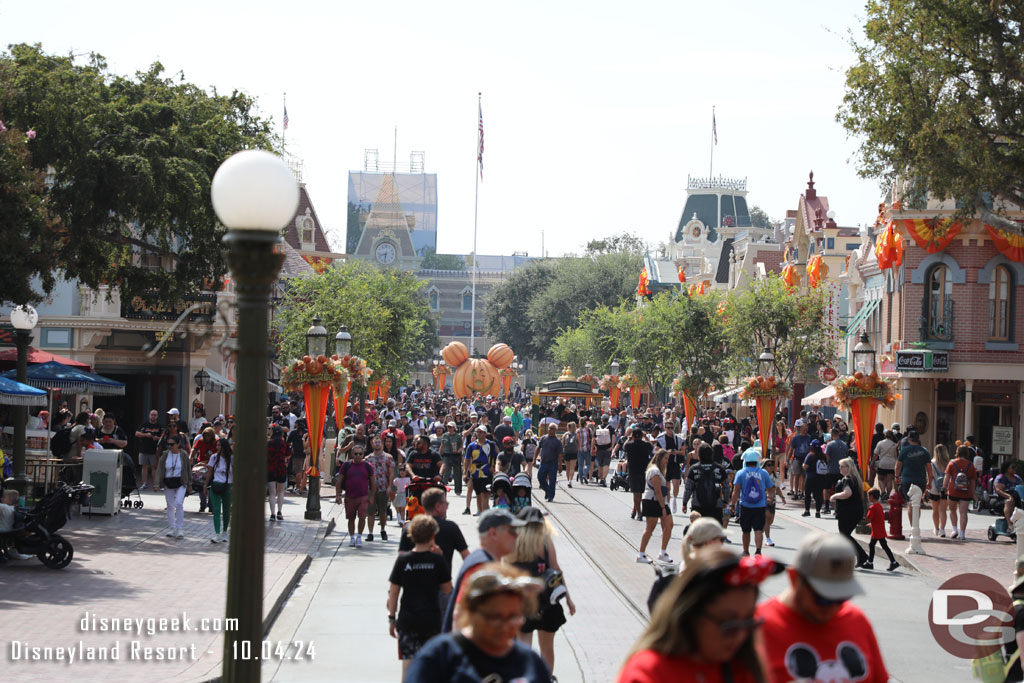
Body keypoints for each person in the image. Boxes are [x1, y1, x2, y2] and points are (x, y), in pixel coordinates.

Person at [618, 548, 778, 683]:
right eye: (728, 625)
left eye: (749, 622)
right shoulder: (649, 673)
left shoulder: (744, 668)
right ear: (691, 614)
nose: (740, 635)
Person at [757, 533, 890, 683]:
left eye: (841, 598)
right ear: (795, 579)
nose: (833, 607)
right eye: (823, 598)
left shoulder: (857, 620)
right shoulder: (758, 628)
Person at [406, 562, 550, 683]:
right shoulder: (439, 656)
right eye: (495, 617)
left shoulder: (530, 663)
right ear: (471, 611)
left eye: (513, 616)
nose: (505, 626)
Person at [507, 506, 576, 675]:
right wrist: (568, 598)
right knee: (547, 648)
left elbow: (507, 573)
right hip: (546, 601)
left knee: (523, 644)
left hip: (522, 601)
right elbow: (556, 570)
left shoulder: (514, 542)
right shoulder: (545, 542)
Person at [388, 514, 453, 679]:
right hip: (431, 620)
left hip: (408, 619)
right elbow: (447, 590)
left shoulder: (403, 560)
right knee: (432, 665)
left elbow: (394, 592)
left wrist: (392, 618)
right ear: (432, 536)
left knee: (408, 663)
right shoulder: (437, 560)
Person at [442, 508, 527, 633]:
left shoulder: (485, 561)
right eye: (512, 531)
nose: (517, 535)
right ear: (493, 533)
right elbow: (459, 616)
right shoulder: (482, 566)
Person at [398, 487, 470, 570]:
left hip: (413, 581)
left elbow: (401, 560)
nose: (447, 507)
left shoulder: (409, 528)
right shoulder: (451, 527)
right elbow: (467, 558)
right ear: (438, 506)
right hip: (442, 580)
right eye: (446, 504)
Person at [729, 449, 775, 556]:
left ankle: (745, 551)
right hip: (760, 505)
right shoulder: (763, 473)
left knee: (746, 530)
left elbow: (735, 491)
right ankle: (758, 551)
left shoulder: (741, 473)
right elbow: (771, 488)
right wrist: (769, 497)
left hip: (745, 505)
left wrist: (732, 505)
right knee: (758, 529)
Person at [828, 457, 870, 568]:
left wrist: (834, 496)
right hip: (853, 511)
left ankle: (861, 556)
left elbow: (847, 493)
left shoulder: (848, 479)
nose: (840, 469)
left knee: (844, 536)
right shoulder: (854, 479)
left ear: (849, 467)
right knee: (845, 536)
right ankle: (860, 557)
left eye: (842, 466)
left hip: (848, 512)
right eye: (840, 466)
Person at [637, 450, 675, 564]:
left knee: (669, 524)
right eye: (665, 459)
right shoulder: (654, 471)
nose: (666, 461)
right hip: (652, 501)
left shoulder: (658, 470)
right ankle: (641, 554)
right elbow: (657, 491)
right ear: (659, 458)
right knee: (650, 528)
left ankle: (662, 552)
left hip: (660, 501)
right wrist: (663, 508)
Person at [335, 444, 374, 548]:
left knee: (362, 517)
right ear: (352, 454)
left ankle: (359, 536)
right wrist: (337, 495)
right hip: (350, 496)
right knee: (351, 518)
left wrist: (371, 497)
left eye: (360, 454)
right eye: (355, 454)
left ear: (363, 454)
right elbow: (339, 481)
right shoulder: (346, 465)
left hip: (363, 497)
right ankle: (352, 537)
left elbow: (373, 484)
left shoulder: (368, 466)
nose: (358, 456)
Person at [683, 444, 729, 524]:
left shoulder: (694, 469)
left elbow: (688, 488)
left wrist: (684, 503)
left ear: (699, 455)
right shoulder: (719, 468)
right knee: (716, 532)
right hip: (716, 505)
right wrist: (725, 501)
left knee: (698, 530)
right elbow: (726, 487)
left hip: (698, 505)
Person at [895, 428, 932, 529]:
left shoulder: (904, 450)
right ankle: (915, 525)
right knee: (917, 503)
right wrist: (930, 481)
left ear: (909, 439)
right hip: (921, 480)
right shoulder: (924, 451)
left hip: (907, 479)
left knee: (910, 503)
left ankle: (913, 527)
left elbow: (898, 466)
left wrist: (897, 477)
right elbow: (929, 468)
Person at [156, 435, 191, 538]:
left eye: (172, 444)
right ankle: (172, 527)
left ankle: (180, 528)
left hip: (181, 481)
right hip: (168, 482)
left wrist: (189, 484)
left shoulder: (183, 455)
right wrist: (157, 483)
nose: (170, 446)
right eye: (168, 444)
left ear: (178, 444)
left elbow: (188, 469)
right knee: (170, 505)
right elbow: (160, 469)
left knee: (179, 503)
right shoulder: (165, 455)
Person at [365, 435, 395, 542]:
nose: (376, 444)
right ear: (371, 444)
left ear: (382, 444)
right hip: (371, 489)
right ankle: (370, 533)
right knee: (371, 512)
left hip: (383, 487)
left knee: (383, 511)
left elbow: (391, 473)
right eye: (374, 442)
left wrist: (390, 487)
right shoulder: (368, 459)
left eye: (378, 442)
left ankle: (383, 529)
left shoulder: (388, 457)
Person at [945, 444, 978, 541]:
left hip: (953, 491)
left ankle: (954, 530)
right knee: (963, 512)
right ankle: (962, 533)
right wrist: (972, 493)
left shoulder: (952, 463)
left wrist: (943, 488)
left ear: (957, 452)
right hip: (966, 492)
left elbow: (946, 478)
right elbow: (973, 481)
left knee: (952, 510)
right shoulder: (970, 465)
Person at [205, 436, 233, 543]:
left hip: (228, 485)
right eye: (217, 445)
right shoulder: (213, 457)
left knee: (226, 510)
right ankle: (217, 533)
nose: (217, 447)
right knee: (216, 510)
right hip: (216, 485)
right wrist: (205, 485)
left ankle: (225, 532)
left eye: (219, 445)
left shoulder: (232, 458)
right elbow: (210, 472)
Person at [864, 489, 899, 571]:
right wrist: (872, 524)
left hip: (876, 531)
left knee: (873, 545)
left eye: (868, 496)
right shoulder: (879, 506)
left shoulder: (872, 507)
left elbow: (868, 518)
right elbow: (879, 518)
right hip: (880, 529)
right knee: (882, 546)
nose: (868, 498)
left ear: (871, 497)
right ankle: (893, 562)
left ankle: (870, 563)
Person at [625, 425, 654, 520]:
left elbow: (623, 446)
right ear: (641, 436)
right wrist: (646, 437)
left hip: (633, 471)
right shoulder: (646, 445)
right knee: (640, 493)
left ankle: (638, 512)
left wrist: (629, 439)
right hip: (643, 471)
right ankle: (636, 511)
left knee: (635, 493)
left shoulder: (629, 445)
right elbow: (651, 447)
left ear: (632, 435)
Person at [465, 426, 496, 514]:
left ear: (485, 434)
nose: (478, 434)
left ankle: (485, 512)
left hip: (487, 472)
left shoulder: (491, 444)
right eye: (477, 432)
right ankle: (480, 510)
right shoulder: (471, 446)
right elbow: (467, 459)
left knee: (485, 493)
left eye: (481, 432)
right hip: (475, 472)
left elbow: (495, 457)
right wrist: (465, 472)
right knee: (478, 493)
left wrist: (493, 467)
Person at [655, 421, 684, 513]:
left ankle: (674, 499)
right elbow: (656, 450)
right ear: (665, 428)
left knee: (676, 483)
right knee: (667, 485)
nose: (670, 430)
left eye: (671, 428)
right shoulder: (661, 439)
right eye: (668, 428)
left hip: (675, 463)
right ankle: (667, 502)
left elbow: (683, 451)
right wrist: (666, 452)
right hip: (666, 464)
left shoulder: (678, 439)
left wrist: (677, 452)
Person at [135, 409, 163, 491]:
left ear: (157, 416)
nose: (153, 416)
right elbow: (136, 433)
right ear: (149, 415)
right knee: (144, 466)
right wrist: (146, 435)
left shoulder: (160, 426)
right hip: (143, 449)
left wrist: (157, 438)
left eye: (155, 415)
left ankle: (155, 484)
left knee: (154, 467)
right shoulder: (144, 425)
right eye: (152, 415)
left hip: (155, 450)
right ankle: (144, 483)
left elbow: (164, 437)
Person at [266, 426, 290, 522]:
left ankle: (272, 514)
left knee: (272, 493)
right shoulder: (285, 444)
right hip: (281, 468)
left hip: (271, 469)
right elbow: (288, 455)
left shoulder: (269, 444)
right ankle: (279, 512)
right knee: (280, 492)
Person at [536, 423, 563, 503]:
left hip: (553, 463)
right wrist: (534, 459)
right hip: (543, 462)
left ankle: (550, 496)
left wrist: (560, 464)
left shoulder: (557, 441)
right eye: (549, 428)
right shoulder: (543, 438)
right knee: (540, 477)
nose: (549, 430)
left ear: (555, 430)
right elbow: (538, 448)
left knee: (552, 480)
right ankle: (547, 490)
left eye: (551, 428)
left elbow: (560, 454)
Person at [802, 440, 829, 518]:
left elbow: (805, 466)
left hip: (810, 477)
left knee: (807, 494)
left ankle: (807, 510)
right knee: (818, 495)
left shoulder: (810, 455)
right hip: (821, 478)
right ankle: (818, 512)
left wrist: (803, 464)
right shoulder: (824, 456)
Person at [929, 443, 950, 537]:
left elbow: (930, 476)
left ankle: (936, 528)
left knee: (935, 510)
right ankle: (942, 529)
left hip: (934, 488)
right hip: (945, 488)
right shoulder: (948, 462)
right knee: (943, 510)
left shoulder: (932, 462)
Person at [786, 420, 810, 500]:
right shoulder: (796, 438)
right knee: (796, 476)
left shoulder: (809, 437)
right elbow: (791, 449)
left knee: (804, 476)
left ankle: (802, 493)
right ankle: (795, 493)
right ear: (801, 429)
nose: (805, 430)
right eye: (804, 429)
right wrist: (788, 459)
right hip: (797, 459)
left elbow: (811, 449)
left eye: (806, 429)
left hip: (805, 459)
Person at [872, 430, 898, 500]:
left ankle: (883, 492)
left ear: (885, 435)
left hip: (882, 463)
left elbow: (875, 454)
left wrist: (872, 462)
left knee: (880, 479)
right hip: (892, 464)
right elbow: (896, 456)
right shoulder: (894, 445)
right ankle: (887, 494)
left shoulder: (880, 443)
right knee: (890, 480)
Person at [440, 421, 464, 496]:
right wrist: (439, 454)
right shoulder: (445, 435)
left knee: (457, 473)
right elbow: (442, 445)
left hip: (456, 455)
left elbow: (461, 446)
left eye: (451, 427)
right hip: (447, 455)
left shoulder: (458, 436)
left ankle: (458, 490)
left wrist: (458, 451)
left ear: (454, 428)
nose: (449, 428)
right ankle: (443, 489)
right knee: (446, 472)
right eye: (448, 427)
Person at [594, 416, 614, 486]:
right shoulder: (610, 428)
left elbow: (594, 438)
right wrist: (612, 446)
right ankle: (604, 478)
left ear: (601, 420)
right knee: (606, 464)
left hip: (599, 448)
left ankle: (600, 478)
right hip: (607, 448)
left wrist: (594, 446)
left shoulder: (598, 427)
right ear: (608, 420)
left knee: (600, 464)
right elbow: (613, 437)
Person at [562, 421, 580, 488]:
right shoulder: (576, 435)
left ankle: (568, 480)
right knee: (572, 468)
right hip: (574, 452)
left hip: (566, 452)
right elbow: (579, 444)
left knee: (567, 468)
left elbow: (562, 444)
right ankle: (570, 480)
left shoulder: (565, 435)